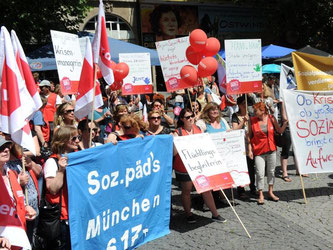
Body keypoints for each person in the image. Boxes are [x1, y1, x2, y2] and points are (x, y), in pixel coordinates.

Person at [172, 108, 226, 223]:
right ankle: (188, 214)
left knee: (206, 189)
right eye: (187, 117)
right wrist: (177, 143)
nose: (191, 118)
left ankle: (215, 214)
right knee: (187, 191)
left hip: (198, 165)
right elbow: (174, 153)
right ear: (182, 119)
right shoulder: (178, 133)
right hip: (183, 167)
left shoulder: (198, 129)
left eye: (192, 116)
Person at [43, 125, 80, 248]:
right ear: (63, 140)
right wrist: (61, 171)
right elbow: (53, 189)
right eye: (73, 138)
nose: (77, 141)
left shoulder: (78, 158)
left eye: (78, 137)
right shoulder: (52, 162)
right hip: (62, 217)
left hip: (77, 215)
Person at [248, 102, 288, 205]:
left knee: (271, 172)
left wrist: (285, 124)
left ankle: (270, 192)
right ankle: (260, 193)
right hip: (259, 150)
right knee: (260, 173)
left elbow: (279, 131)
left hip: (271, 149)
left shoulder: (271, 118)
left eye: (255, 110)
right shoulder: (252, 121)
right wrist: (249, 149)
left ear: (262, 111)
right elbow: (249, 136)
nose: (254, 112)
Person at [6, 142, 42, 243]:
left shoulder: (21, 157)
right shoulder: (4, 163)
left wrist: (31, 164)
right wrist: (18, 181)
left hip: (33, 211)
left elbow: (39, 173)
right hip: (18, 215)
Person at [0, 137, 37, 235]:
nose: (6, 149)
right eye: (1, 147)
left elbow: (16, 198)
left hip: (17, 229)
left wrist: (25, 207)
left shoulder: (10, 173)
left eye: (7, 146)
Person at [231, 95, 256, 197]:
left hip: (250, 143)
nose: (245, 105)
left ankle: (252, 187)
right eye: (243, 104)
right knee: (241, 167)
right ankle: (241, 190)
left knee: (251, 167)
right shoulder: (235, 116)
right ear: (239, 105)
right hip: (240, 145)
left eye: (246, 104)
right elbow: (235, 129)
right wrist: (243, 121)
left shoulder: (251, 114)